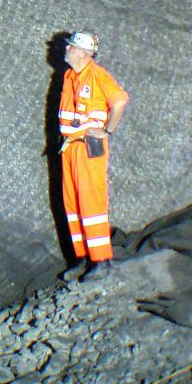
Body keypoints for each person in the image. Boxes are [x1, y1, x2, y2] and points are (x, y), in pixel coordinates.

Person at [56, 31, 129, 274]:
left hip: (88, 147)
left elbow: (119, 100)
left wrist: (107, 131)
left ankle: (100, 260)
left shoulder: (97, 75)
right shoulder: (70, 76)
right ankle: (81, 256)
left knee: (90, 201)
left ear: (81, 52)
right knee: (72, 202)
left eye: (70, 47)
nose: (65, 50)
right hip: (69, 147)